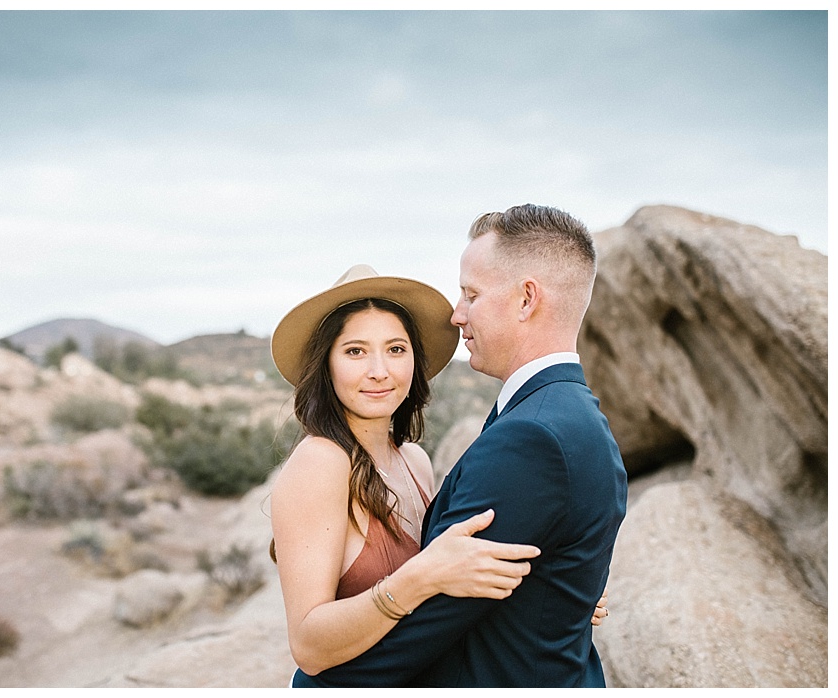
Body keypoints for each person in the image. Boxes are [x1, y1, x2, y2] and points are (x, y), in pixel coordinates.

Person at [295, 204, 628, 687]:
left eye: (471, 294)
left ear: (525, 299)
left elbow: (433, 625)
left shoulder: (531, 436)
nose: (457, 314)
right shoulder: (575, 417)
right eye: (354, 351)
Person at [269, 263, 566, 683]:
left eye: (395, 349)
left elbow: (444, 598)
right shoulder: (321, 462)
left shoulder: (414, 460)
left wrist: (553, 592)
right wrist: (419, 578)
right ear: (327, 365)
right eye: (355, 351)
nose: (379, 371)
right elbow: (309, 647)